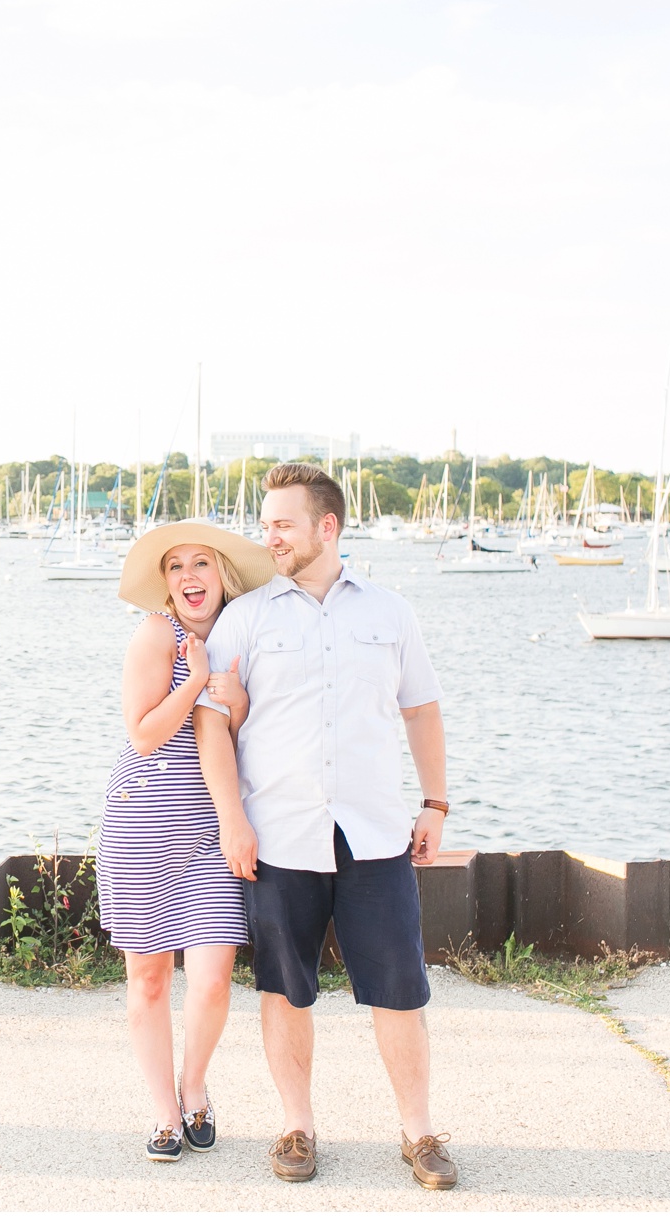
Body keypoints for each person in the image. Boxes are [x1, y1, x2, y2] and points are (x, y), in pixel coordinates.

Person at [193, 462, 459, 1190]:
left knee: (401, 987)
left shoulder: (390, 611)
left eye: (283, 522)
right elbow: (212, 726)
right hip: (278, 835)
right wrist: (231, 821)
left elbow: (422, 708)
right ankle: (297, 1126)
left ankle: (419, 1131)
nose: (269, 536)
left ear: (327, 525)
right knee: (284, 987)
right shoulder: (245, 618)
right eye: (268, 522)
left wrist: (435, 802)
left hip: (375, 834)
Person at [102, 521, 275, 1162]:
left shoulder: (246, 632)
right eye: (176, 568)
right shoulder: (157, 635)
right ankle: (165, 1113)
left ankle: (195, 1084)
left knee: (209, 978)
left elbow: (244, 736)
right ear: (166, 584)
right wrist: (192, 682)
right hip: (142, 823)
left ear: (222, 574)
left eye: (201, 563)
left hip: (211, 829)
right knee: (148, 980)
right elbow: (144, 735)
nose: (189, 578)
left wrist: (238, 695)